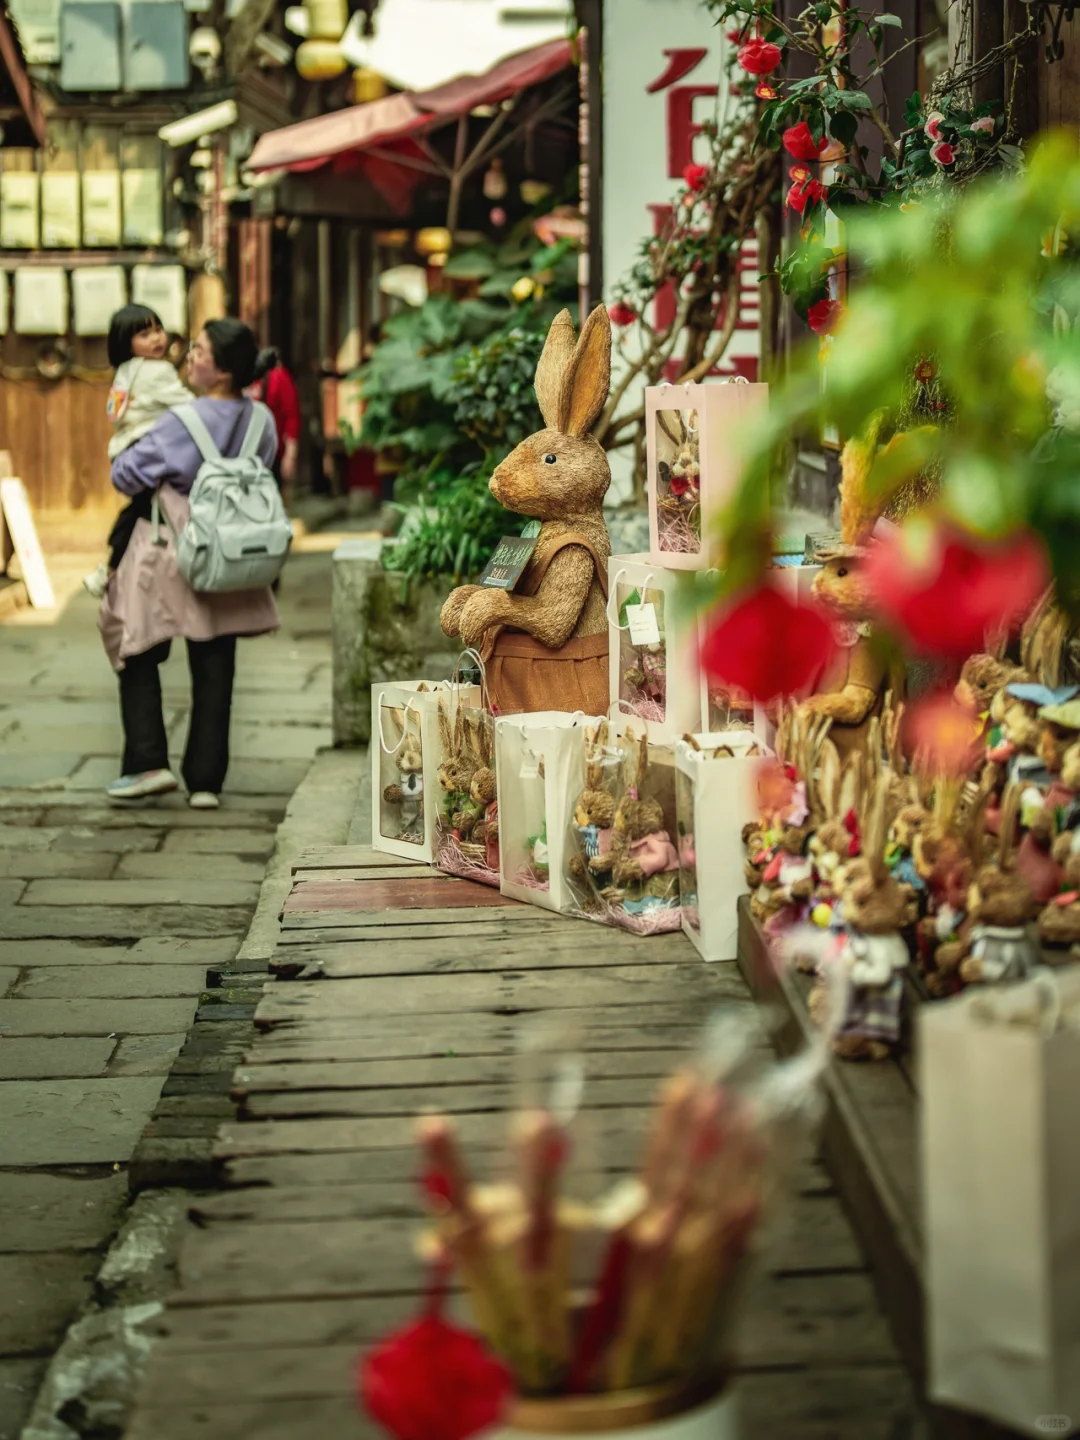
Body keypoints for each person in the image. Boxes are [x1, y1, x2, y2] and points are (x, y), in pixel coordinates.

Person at [98, 319, 279, 810]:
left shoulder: (179, 422)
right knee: (216, 656)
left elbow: (125, 475)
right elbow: (264, 466)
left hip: (173, 548)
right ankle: (205, 781)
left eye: (198, 350)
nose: (188, 356)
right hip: (234, 550)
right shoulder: (263, 420)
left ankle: (146, 761)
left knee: (133, 642)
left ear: (219, 371)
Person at [83, 305, 194, 599]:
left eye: (158, 330)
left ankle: (110, 569)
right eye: (145, 334)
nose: (157, 338)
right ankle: (112, 570)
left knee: (143, 508)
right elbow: (184, 403)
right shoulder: (159, 370)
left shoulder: (124, 371)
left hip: (126, 448)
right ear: (126, 341)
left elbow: (113, 413)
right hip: (152, 449)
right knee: (154, 508)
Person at [247, 347, 300, 497]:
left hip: (271, 456)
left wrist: (290, 455)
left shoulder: (278, 377)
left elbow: (292, 417)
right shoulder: (236, 378)